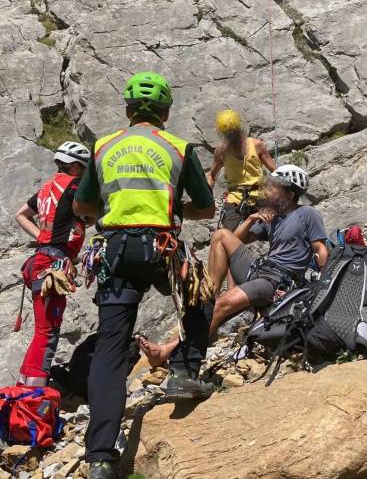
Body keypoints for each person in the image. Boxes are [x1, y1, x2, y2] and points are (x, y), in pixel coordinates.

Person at [72, 71, 216, 479]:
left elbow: (84, 208)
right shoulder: (177, 147)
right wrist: (174, 209)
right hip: (162, 248)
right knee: (199, 296)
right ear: (166, 111)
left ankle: (100, 457)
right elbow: (205, 208)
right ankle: (185, 372)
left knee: (111, 350)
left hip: (114, 252)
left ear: (127, 109)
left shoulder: (102, 147)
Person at [140, 165, 329, 367]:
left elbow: (320, 250)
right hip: (260, 269)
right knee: (221, 235)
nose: (269, 190)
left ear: (290, 194)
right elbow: (238, 239)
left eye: (275, 187)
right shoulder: (273, 217)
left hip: (278, 281)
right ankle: (209, 296)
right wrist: (250, 219)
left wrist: (322, 287)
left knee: (223, 304)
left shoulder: (307, 214)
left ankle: (168, 352)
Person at [14, 141, 91, 387]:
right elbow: (92, 211)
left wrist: (41, 237)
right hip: (54, 263)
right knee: (48, 331)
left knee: (42, 329)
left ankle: (25, 385)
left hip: (41, 258)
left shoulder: (46, 189)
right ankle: (34, 393)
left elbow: (21, 215)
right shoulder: (75, 186)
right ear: (77, 168)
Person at [207, 109, 276, 231]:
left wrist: (277, 194)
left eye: (233, 132)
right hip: (235, 198)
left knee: (274, 227)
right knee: (228, 236)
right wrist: (207, 196)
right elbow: (212, 174)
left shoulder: (256, 145)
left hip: (259, 195)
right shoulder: (222, 151)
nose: (232, 136)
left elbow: (275, 171)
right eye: (229, 134)